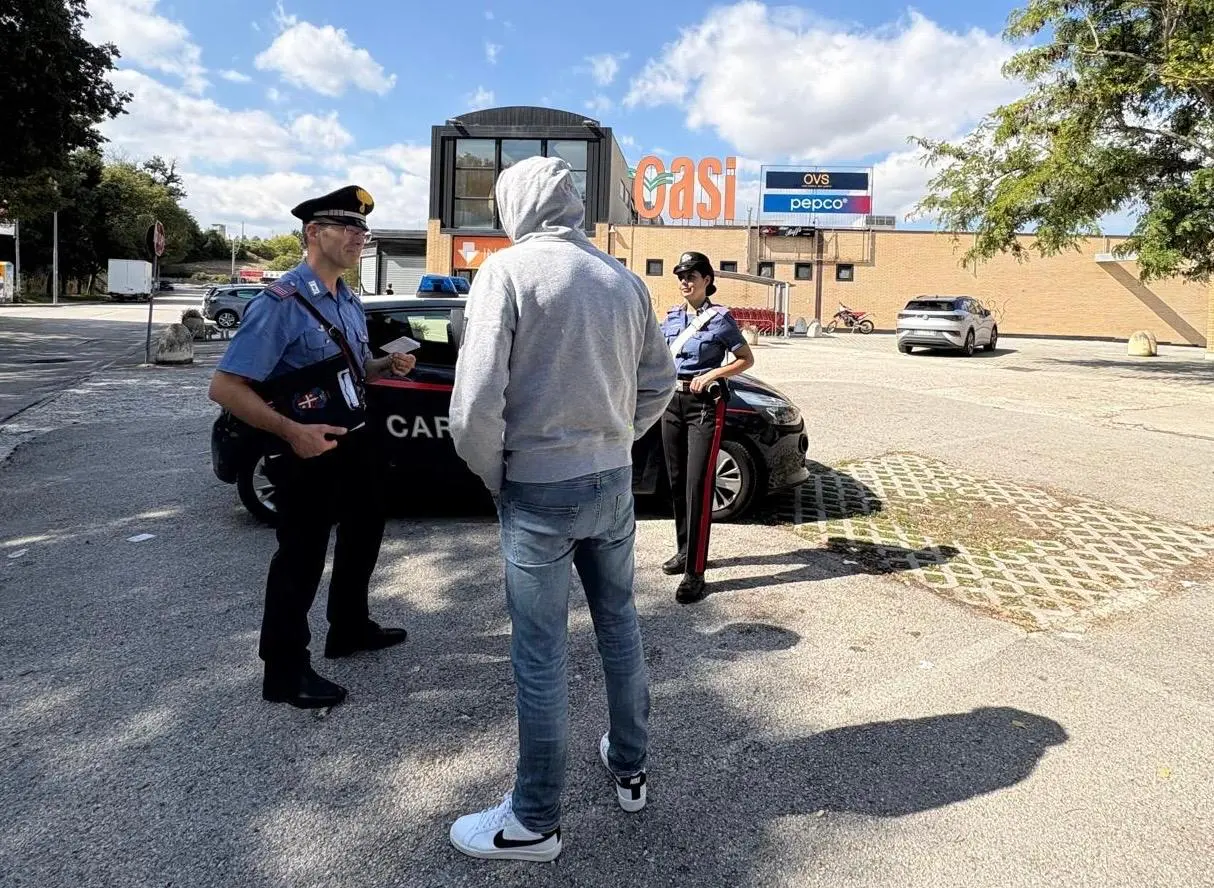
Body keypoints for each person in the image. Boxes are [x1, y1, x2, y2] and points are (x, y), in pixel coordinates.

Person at [448, 156, 676, 862]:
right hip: (610, 482)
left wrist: (495, 472)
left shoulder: (508, 272)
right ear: (572, 204)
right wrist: (616, 438)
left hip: (538, 487)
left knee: (540, 654)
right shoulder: (623, 279)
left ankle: (536, 819)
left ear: (517, 205)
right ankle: (630, 766)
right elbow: (660, 382)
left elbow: (476, 401)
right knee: (620, 624)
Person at [207, 185, 416, 710]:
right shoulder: (281, 303)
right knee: (299, 558)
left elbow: (349, 370)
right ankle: (283, 670)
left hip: (354, 439)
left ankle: (347, 627)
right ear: (312, 234)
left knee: (366, 530)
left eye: (362, 229)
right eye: (347, 228)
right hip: (305, 450)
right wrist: (290, 432)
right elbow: (226, 387)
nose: (359, 237)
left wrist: (384, 366)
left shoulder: (347, 297)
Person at [660, 251, 755, 604]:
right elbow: (658, 354)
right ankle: (685, 551)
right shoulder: (671, 318)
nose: (686, 282)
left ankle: (695, 573)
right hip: (672, 402)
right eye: (681, 277)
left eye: (692, 277)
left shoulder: (720, 319)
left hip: (704, 406)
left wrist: (713, 374)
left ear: (707, 280)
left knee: (699, 486)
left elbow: (746, 358)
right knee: (676, 482)